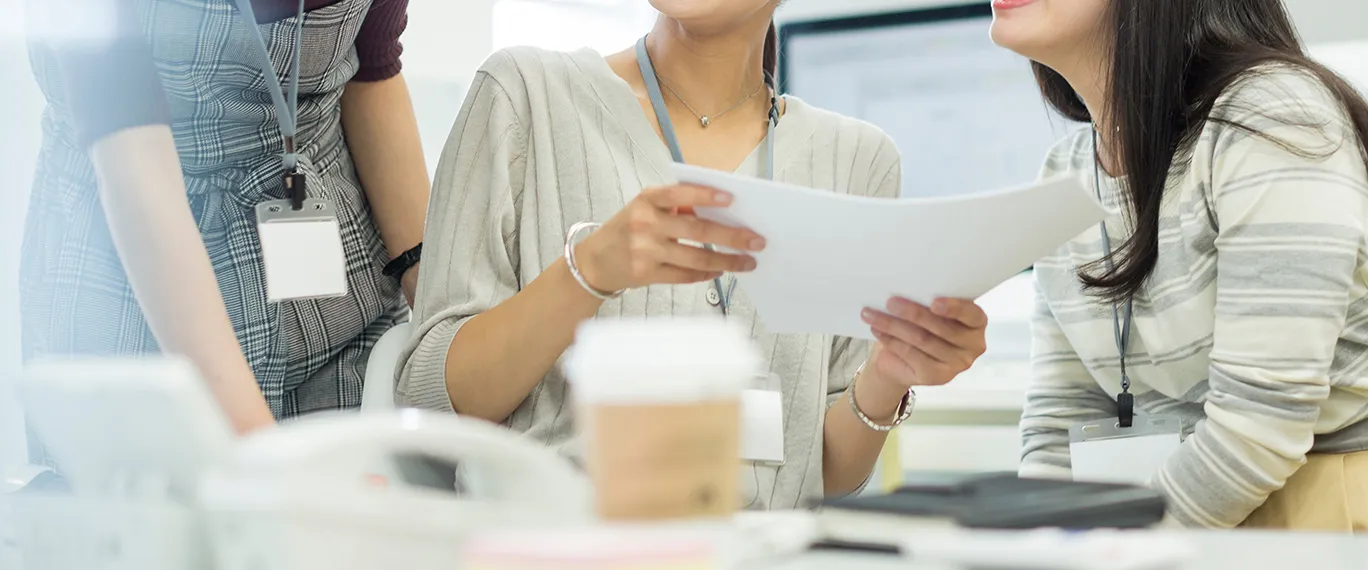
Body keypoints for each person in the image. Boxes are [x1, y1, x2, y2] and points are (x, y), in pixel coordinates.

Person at [398, 0, 990, 508]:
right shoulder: (526, 93)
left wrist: (888, 373)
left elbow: (827, 478)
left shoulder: (858, 160)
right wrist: (588, 273)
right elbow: (428, 399)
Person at [995, 0, 1368, 530]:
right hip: (1194, 512)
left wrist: (1116, 551)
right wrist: (1041, 541)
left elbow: (1257, 430)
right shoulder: (1064, 173)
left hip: (1336, 508)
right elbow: (1059, 422)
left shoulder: (1271, 115)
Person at [21, 0, 431, 453]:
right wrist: (268, 470)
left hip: (335, 289)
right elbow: (134, 161)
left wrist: (437, 314)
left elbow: (372, 67)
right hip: (135, 292)